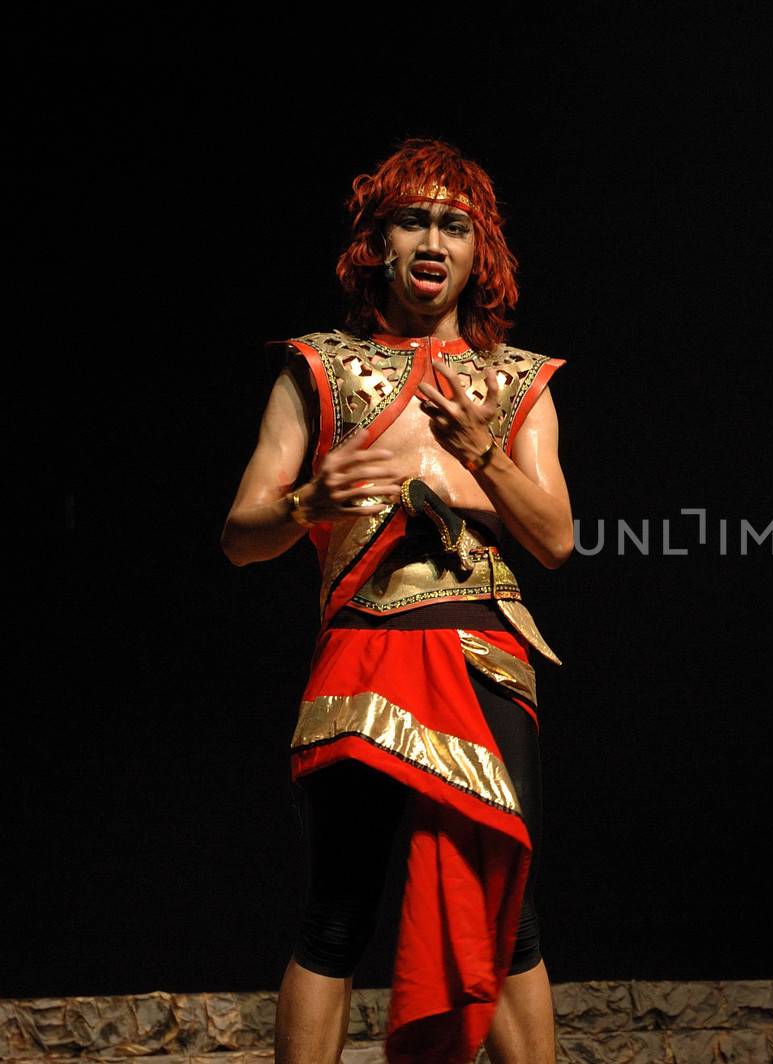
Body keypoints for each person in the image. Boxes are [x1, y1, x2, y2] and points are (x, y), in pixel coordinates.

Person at [222, 138, 572, 1064]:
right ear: (376, 242)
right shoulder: (317, 369)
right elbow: (240, 536)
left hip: (481, 656)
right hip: (364, 654)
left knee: (506, 900)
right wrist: (308, 503)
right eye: (411, 219)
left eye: (453, 224)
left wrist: (484, 452)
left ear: (477, 250)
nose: (432, 238)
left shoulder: (515, 382)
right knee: (337, 906)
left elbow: (557, 540)